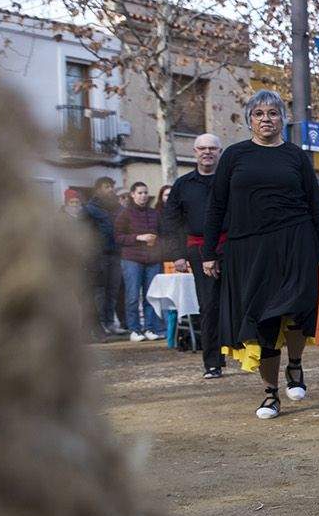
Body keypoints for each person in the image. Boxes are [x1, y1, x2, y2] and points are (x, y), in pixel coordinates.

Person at [201, 90, 319, 421]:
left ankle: (295, 364)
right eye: (259, 113)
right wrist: (209, 252)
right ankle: (270, 394)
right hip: (248, 249)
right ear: (250, 119)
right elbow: (217, 205)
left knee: (295, 309)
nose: (266, 119)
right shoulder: (234, 156)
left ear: (283, 119)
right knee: (262, 318)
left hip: (296, 242)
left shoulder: (296, 157)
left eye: (273, 113)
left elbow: (315, 205)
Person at [160, 133, 226, 377]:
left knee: (238, 301)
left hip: (230, 248)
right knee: (209, 305)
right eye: (202, 148)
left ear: (219, 152)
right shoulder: (182, 185)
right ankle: (213, 362)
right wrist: (177, 255)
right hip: (198, 251)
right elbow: (171, 221)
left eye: (212, 148)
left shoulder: (230, 181)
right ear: (194, 152)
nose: (207, 152)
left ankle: (246, 353)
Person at [114, 181, 164, 342]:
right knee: (133, 295)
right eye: (140, 193)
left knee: (151, 295)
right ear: (133, 195)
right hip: (132, 259)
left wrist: (157, 243)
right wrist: (138, 237)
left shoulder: (154, 213)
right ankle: (134, 329)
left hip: (152, 259)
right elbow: (118, 237)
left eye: (145, 193)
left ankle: (150, 328)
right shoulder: (125, 214)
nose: (143, 196)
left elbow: (162, 234)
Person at [89, 176, 125, 334]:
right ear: (98, 189)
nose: (110, 189)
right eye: (106, 186)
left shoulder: (118, 208)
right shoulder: (90, 209)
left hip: (116, 254)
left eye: (111, 186)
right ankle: (100, 324)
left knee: (113, 291)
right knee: (100, 292)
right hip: (99, 256)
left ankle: (110, 323)